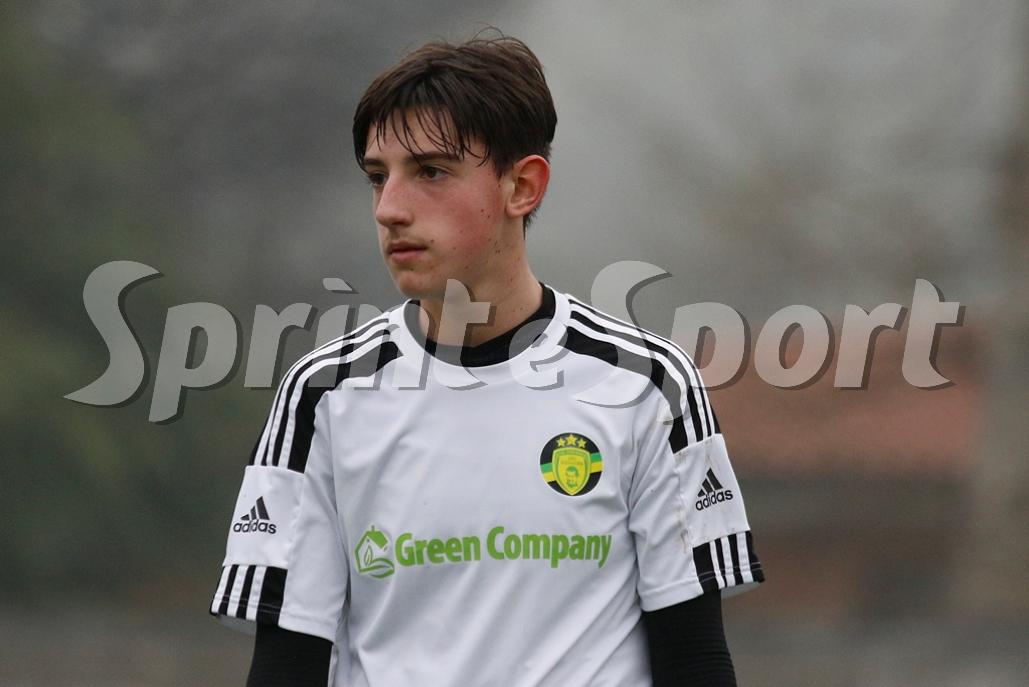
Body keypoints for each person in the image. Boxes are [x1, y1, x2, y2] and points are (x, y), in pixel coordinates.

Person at [211, 33, 764, 686]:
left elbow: (694, 662)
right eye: (378, 177)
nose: (389, 209)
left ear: (521, 186)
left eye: (430, 171)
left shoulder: (647, 386)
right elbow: (285, 668)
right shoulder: (322, 394)